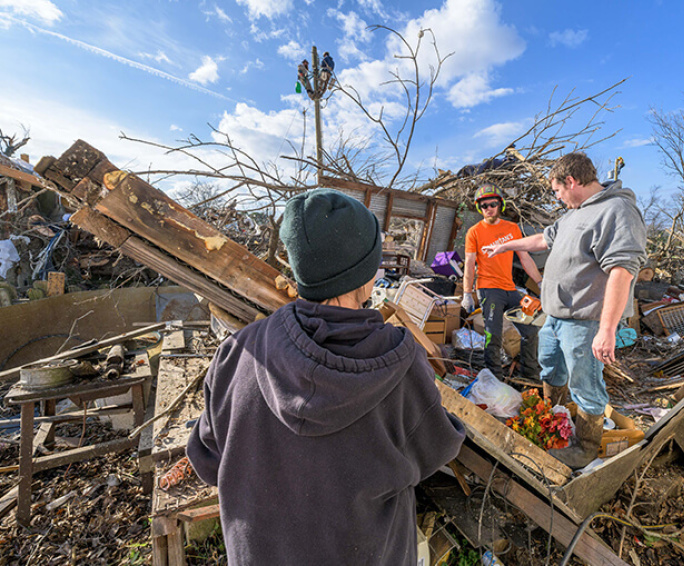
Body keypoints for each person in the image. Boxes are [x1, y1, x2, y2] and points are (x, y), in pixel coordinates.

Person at [187, 188, 465, 565]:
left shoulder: (239, 352)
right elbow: (436, 449)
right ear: (366, 275)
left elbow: (207, 459)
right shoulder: (398, 362)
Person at [483, 153, 646, 468]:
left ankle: (584, 447)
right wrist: (506, 246)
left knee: (585, 384)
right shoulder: (573, 214)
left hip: (584, 322)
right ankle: (553, 418)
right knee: (550, 368)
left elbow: (622, 271)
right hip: (555, 318)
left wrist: (607, 330)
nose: (557, 197)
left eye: (558, 190)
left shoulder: (617, 211)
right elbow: (543, 239)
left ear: (571, 182)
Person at [463, 183, 543, 381]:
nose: (489, 208)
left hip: (511, 290)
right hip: (488, 290)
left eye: (492, 204)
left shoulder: (512, 228)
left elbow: (524, 257)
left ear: (501, 205)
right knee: (493, 335)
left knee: (531, 330)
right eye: (484, 205)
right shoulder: (474, 232)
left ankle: (529, 374)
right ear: (479, 208)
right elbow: (469, 264)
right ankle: (495, 379)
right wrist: (467, 293)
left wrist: (540, 282)